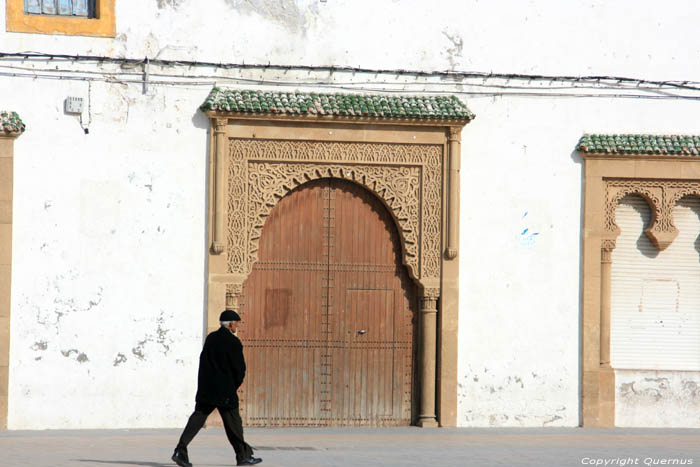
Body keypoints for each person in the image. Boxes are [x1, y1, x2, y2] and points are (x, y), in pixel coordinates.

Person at [172, 309, 262, 467]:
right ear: (231, 324)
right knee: (234, 424)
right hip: (225, 391)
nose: (237, 326)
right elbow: (239, 369)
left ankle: (180, 450)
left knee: (197, 419)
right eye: (236, 323)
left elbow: (203, 362)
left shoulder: (211, 338)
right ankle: (242, 457)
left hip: (207, 389)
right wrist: (232, 386)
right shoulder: (233, 342)